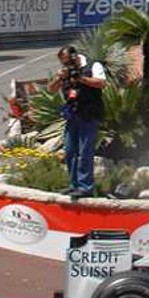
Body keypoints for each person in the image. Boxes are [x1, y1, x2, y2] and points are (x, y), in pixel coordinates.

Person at [49, 44, 105, 198]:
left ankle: (85, 186)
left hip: (90, 114)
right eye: (63, 63)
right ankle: (73, 184)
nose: (66, 65)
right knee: (69, 151)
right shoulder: (65, 71)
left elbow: (101, 83)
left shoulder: (93, 65)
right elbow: (51, 90)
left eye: (67, 61)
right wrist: (59, 77)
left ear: (75, 56)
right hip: (73, 115)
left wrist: (81, 78)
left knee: (85, 152)